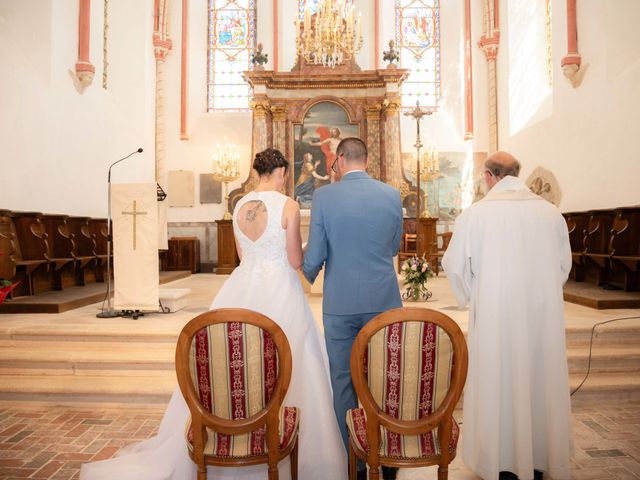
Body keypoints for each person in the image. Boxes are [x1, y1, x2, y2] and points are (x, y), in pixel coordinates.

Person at [80, 149, 347, 480]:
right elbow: (294, 260)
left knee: (233, 355)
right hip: (280, 289)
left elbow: (241, 254)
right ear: (280, 171)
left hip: (242, 287)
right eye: (285, 174)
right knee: (289, 358)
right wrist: (309, 248)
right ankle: (287, 453)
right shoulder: (288, 205)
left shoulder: (239, 206)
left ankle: (229, 430)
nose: (286, 178)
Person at [442, 151, 573, 480]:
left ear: (489, 176)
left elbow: (455, 267)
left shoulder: (476, 215)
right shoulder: (551, 214)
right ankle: (539, 457)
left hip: (496, 318)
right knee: (537, 380)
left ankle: (498, 461)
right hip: (541, 319)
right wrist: (539, 295)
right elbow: (563, 267)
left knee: (498, 381)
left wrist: (475, 296)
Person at [302, 137, 403, 480]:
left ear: (340, 159)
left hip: (341, 303)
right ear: (366, 159)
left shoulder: (325, 196)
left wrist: (298, 279)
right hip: (384, 302)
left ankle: (355, 465)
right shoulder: (391, 195)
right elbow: (394, 246)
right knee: (385, 379)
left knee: (344, 381)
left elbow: (314, 254)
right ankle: (387, 459)